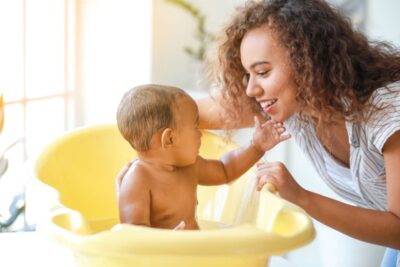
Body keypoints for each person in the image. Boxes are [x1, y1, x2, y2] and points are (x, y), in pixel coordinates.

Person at [196, 0, 400, 266]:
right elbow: (182, 111)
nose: (250, 89)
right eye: (248, 75)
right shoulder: (298, 107)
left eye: (262, 72)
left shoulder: (386, 110)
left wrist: (300, 197)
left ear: (308, 61)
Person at [115, 84, 289, 230]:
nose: (201, 134)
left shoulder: (190, 166)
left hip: (194, 254)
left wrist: (256, 147)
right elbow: (133, 234)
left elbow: (225, 169)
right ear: (170, 139)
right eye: (195, 127)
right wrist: (164, 243)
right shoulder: (138, 180)